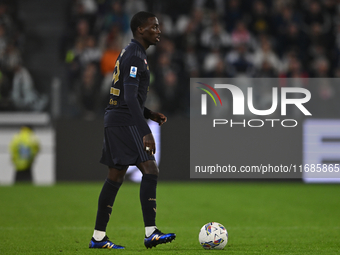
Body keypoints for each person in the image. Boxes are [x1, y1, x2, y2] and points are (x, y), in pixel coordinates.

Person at [89, 11, 176, 250]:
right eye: (154, 27)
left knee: (115, 177)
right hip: (124, 120)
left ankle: (98, 237)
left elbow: (128, 95)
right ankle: (151, 232)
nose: (158, 30)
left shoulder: (130, 51)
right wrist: (145, 130)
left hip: (115, 118)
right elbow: (128, 96)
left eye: (158, 26)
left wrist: (149, 114)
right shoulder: (136, 55)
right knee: (150, 168)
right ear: (140, 29)